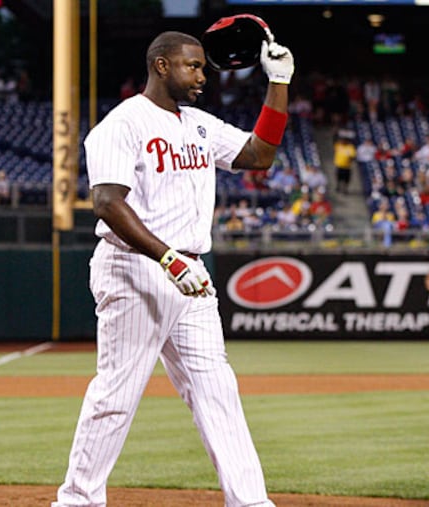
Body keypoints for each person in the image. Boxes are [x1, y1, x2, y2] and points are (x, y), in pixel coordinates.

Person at [52, 24, 294, 507]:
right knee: (118, 392)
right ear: (161, 65)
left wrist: (279, 83)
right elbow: (106, 203)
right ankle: (77, 500)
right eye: (193, 65)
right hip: (136, 267)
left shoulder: (199, 124)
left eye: (203, 66)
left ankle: (249, 501)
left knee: (216, 389)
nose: (203, 75)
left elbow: (259, 155)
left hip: (190, 272)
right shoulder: (122, 124)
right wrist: (166, 258)